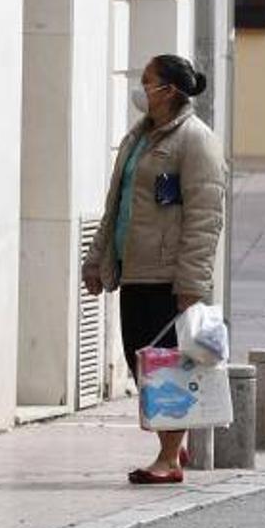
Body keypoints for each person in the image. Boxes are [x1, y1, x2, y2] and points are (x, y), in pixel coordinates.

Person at [83, 54, 226, 484]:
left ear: (170, 91)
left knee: (166, 366)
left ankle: (168, 459)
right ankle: (171, 443)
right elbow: (117, 206)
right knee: (140, 361)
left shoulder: (195, 141)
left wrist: (192, 284)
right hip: (136, 269)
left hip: (168, 277)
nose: (141, 89)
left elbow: (205, 218)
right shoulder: (139, 138)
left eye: (148, 82)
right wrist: (98, 259)